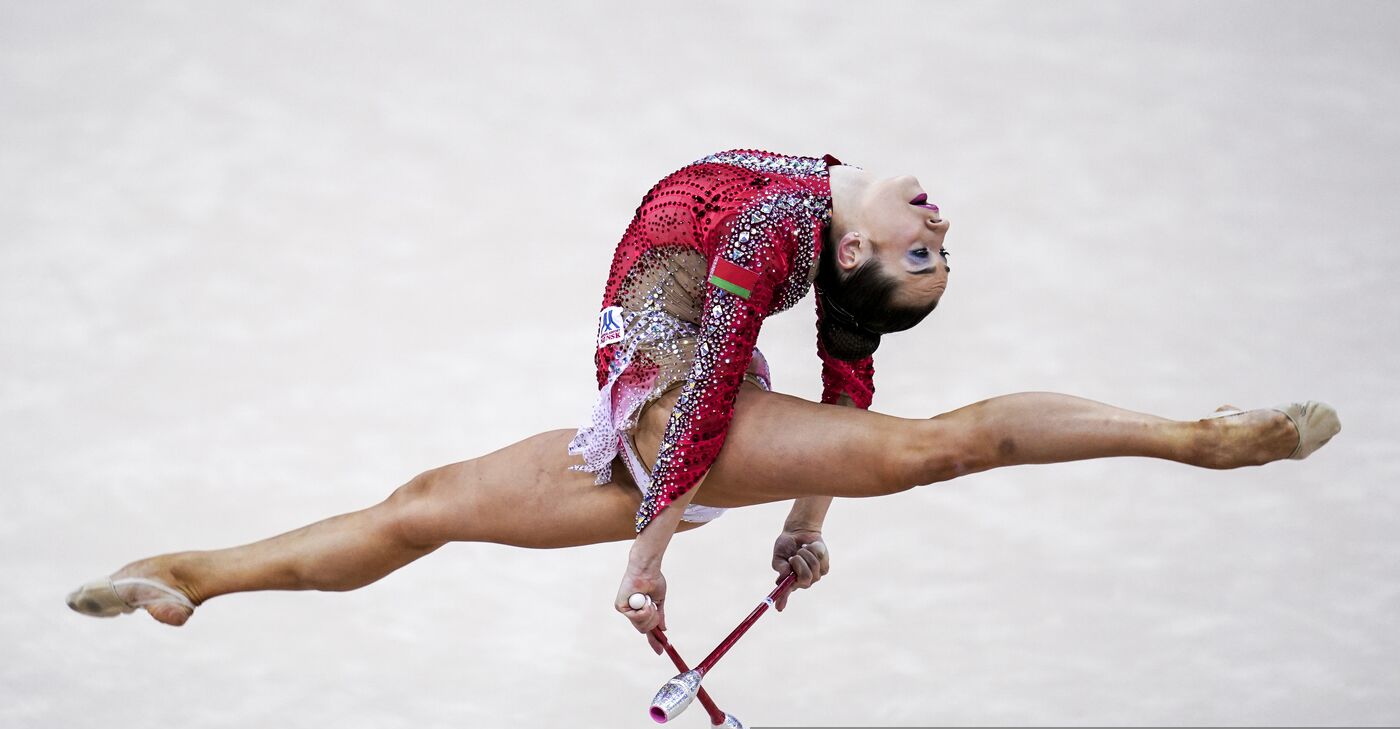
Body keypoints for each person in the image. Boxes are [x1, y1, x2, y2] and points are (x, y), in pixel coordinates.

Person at [65, 148, 1341, 653]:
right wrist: (803, 528)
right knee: (423, 509)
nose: (934, 223)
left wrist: (650, 553)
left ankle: (1197, 439)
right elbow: (827, 393)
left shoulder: (789, 218)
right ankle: (188, 576)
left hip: (681, 423)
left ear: (844, 255)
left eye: (920, 252)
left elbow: (729, 370)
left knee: (939, 448)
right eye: (930, 246)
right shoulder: (817, 206)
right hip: (635, 417)